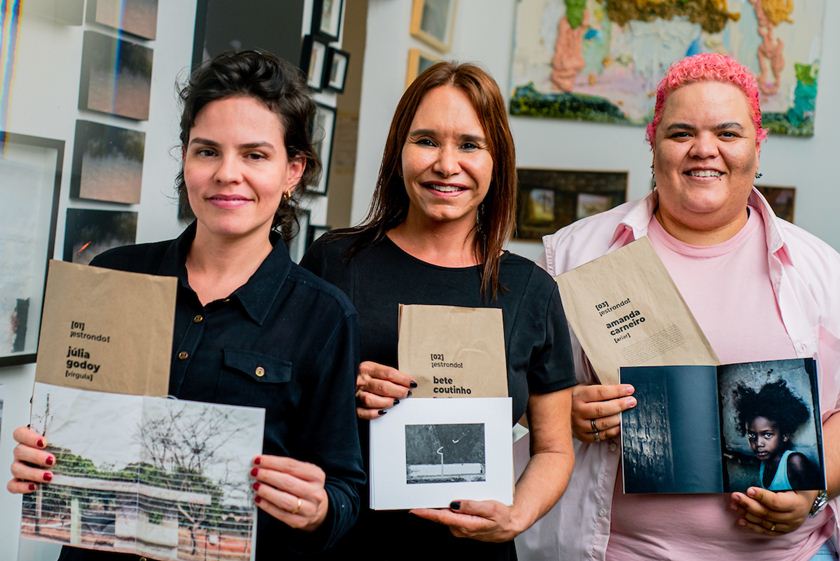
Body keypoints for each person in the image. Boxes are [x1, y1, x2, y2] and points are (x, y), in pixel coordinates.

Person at [7, 51, 365, 560]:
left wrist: (320, 508)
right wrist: (36, 459)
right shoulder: (114, 275)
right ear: (185, 158)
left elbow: (347, 492)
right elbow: (62, 434)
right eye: (207, 151)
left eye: (255, 155)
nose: (227, 173)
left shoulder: (324, 316)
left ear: (293, 171)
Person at [516, 53, 839, 561]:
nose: (704, 150)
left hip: (788, 554)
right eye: (681, 132)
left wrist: (810, 495)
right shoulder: (572, 255)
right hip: (616, 551)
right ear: (654, 145)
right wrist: (560, 412)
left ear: (757, 147)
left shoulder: (823, 271)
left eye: (728, 134)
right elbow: (508, 395)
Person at [301, 61, 577, 560]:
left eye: (470, 145)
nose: (446, 164)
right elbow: (280, 403)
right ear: (398, 151)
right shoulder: (335, 261)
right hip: (341, 542)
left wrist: (517, 515)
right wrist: (342, 391)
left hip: (471, 551)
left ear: (497, 161)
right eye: (426, 140)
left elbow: (554, 449)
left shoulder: (531, 288)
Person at [733, 379, 823, 491]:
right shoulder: (764, 461)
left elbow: (815, 497)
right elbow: (745, 459)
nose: (758, 443)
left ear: (785, 435)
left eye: (767, 435)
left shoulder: (795, 462)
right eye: (752, 436)